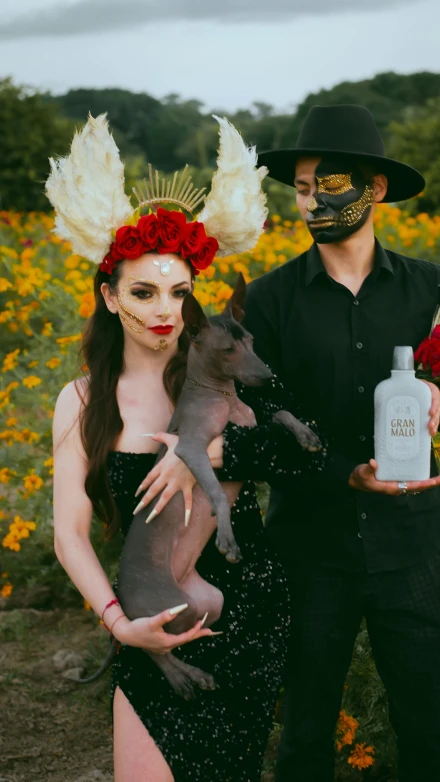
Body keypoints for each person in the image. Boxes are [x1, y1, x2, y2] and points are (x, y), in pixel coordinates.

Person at [50, 114, 324, 782]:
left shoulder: (224, 367)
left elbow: (308, 451)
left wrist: (212, 452)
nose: (163, 309)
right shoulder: (82, 402)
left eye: (178, 291)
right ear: (110, 297)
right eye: (142, 292)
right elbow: (70, 533)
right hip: (149, 616)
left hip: (249, 611)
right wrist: (118, 624)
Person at [240, 104, 440, 782]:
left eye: (329, 185)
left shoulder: (435, 290)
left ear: (375, 188)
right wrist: (339, 476)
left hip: (412, 545)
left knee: (429, 732)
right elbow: (258, 420)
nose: (311, 203)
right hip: (310, 546)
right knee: (304, 738)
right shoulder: (268, 303)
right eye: (300, 188)